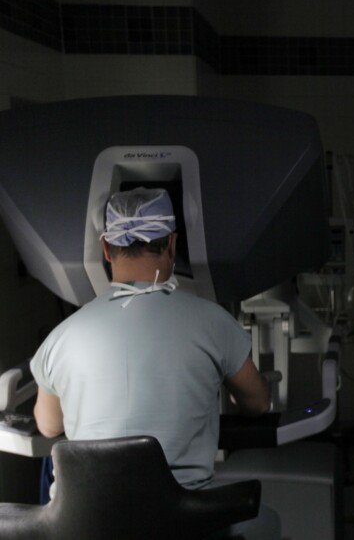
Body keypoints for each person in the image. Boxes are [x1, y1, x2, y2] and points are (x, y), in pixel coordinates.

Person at [30, 187, 277, 537]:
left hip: (87, 525)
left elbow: (49, 425)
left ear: (106, 249)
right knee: (268, 522)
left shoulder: (62, 336)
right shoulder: (212, 322)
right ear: (172, 244)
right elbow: (258, 402)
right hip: (183, 525)